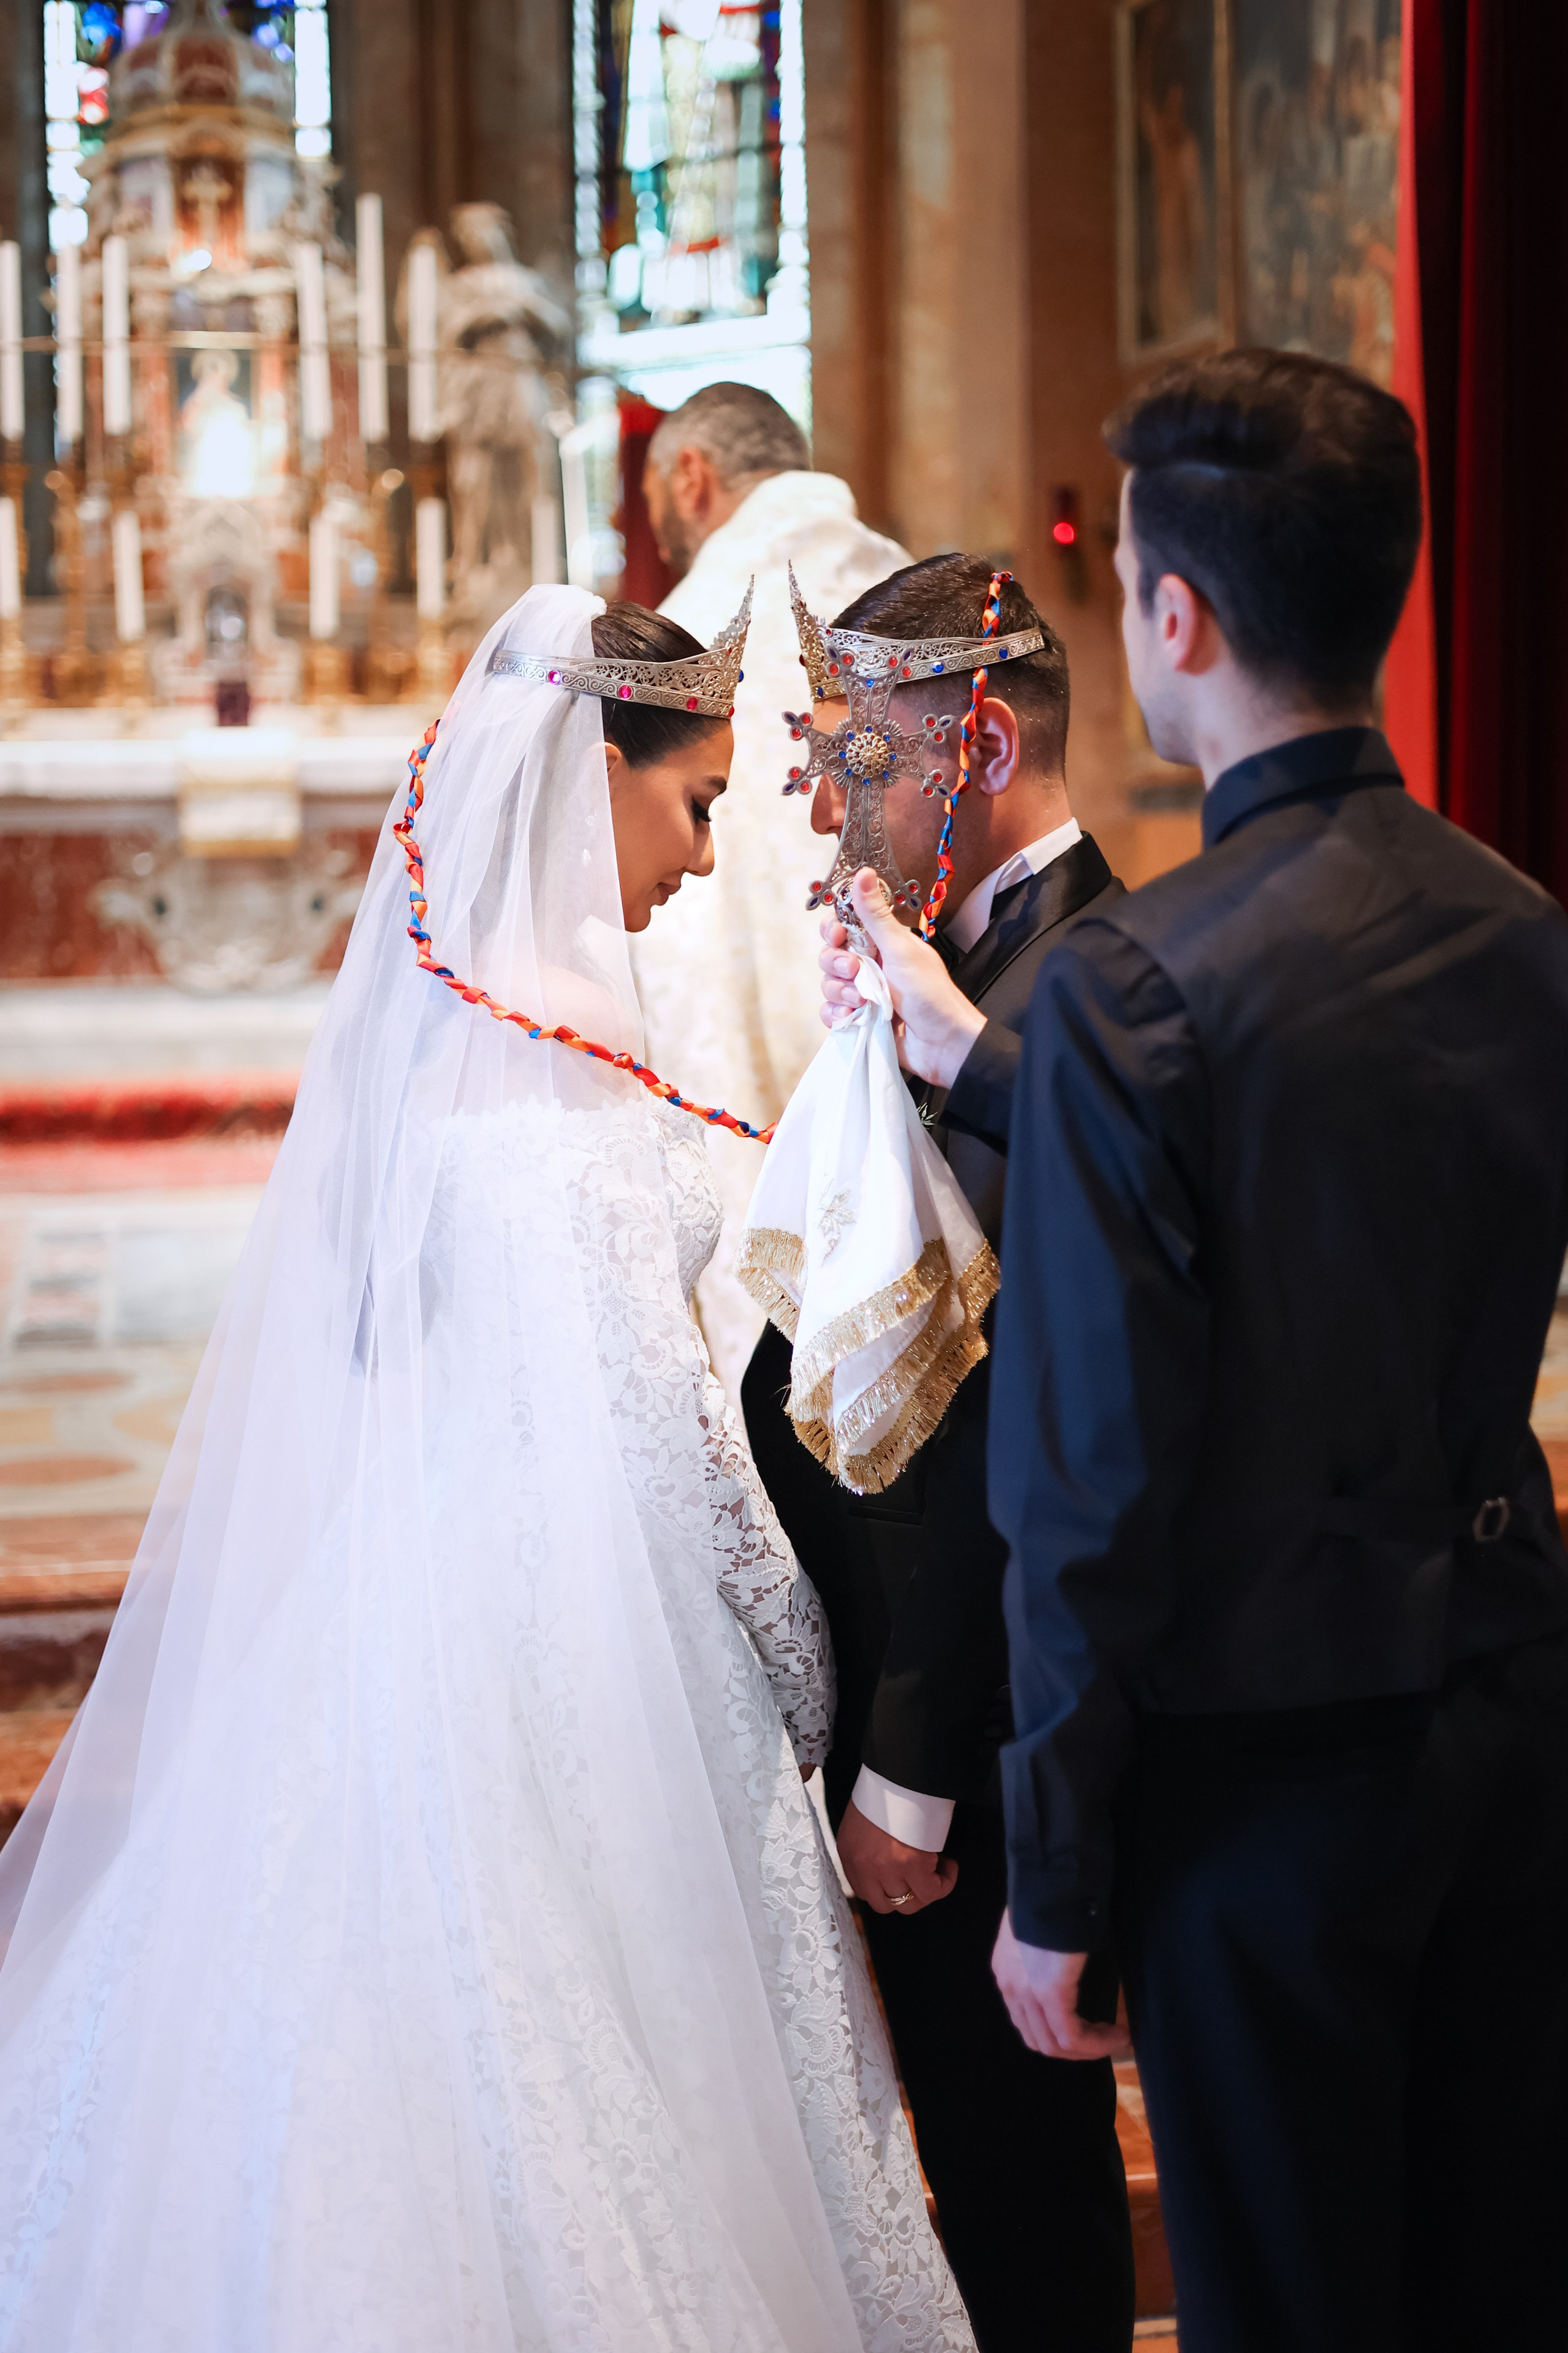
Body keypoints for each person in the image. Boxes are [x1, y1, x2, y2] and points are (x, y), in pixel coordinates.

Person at [0, 587, 973, 2353]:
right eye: (686, 805)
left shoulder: (487, 1067)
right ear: (577, 773)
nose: (697, 861)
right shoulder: (556, 1127)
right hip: (587, 1680)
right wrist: (812, 1668)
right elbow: (673, 1470)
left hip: (427, 1614)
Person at [980, 350, 1568, 2349]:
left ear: (1176, 616)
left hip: (1257, 1788)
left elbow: (1082, 1496)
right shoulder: (1521, 931)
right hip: (1512, 1721)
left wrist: (1051, 1872)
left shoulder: (1128, 990)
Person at [745, 555, 1136, 2353]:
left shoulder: (1081, 1005)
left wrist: (908, 1762)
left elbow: (1020, 1423)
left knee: (1017, 2187)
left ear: (972, 745)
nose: (827, 801)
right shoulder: (966, 967)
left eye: (860, 754)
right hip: (912, 1692)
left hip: (971, 1739)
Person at [633, 381, 910, 1397]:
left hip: (746, 1075)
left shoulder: (681, 641)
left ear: (691, 478)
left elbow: (660, 938)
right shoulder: (911, 596)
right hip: (917, 1046)